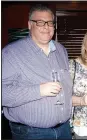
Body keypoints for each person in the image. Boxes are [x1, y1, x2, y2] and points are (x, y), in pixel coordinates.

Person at [2, 4, 73, 139]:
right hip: (31, 133)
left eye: (50, 22)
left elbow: (67, 88)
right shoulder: (11, 53)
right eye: (40, 22)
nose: (46, 27)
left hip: (64, 129)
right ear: (30, 25)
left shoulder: (61, 50)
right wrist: (38, 91)